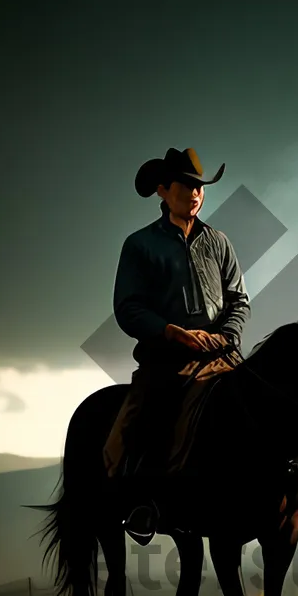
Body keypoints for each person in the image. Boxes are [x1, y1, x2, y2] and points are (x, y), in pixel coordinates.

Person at [102, 146, 250, 542]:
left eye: (200, 187)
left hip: (222, 356)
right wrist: (171, 332)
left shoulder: (220, 243)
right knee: (140, 421)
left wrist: (224, 335)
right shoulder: (140, 245)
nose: (196, 194)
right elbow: (128, 308)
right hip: (165, 361)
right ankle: (139, 502)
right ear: (163, 192)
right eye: (187, 186)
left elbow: (239, 301)